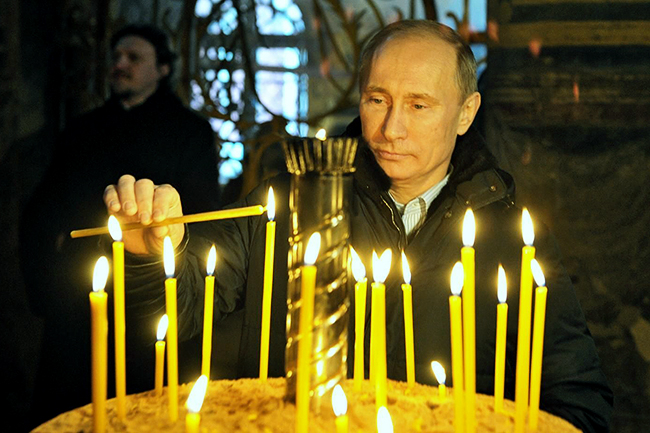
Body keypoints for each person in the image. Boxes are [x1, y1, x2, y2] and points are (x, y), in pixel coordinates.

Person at [101, 21, 612, 432]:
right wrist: (153, 253)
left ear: (465, 113)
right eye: (377, 99)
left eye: (418, 105)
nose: (391, 129)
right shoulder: (290, 202)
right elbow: (182, 306)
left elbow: (576, 399)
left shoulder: (511, 237)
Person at [21, 24, 220, 427]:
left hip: (149, 306)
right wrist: (45, 289)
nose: (120, 64)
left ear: (163, 68)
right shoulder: (82, 130)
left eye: (134, 57)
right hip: (76, 303)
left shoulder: (191, 133)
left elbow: (200, 218)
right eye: (116, 57)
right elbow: (42, 214)